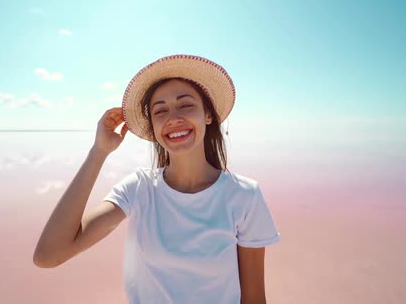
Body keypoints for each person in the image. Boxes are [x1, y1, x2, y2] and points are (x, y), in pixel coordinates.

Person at [34, 54, 281, 303]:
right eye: (160, 110)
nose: (173, 118)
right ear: (153, 127)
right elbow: (48, 255)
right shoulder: (139, 189)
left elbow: (254, 298)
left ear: (208, 115)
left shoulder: (244, 195)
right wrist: (98, 152)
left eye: (186, 105)